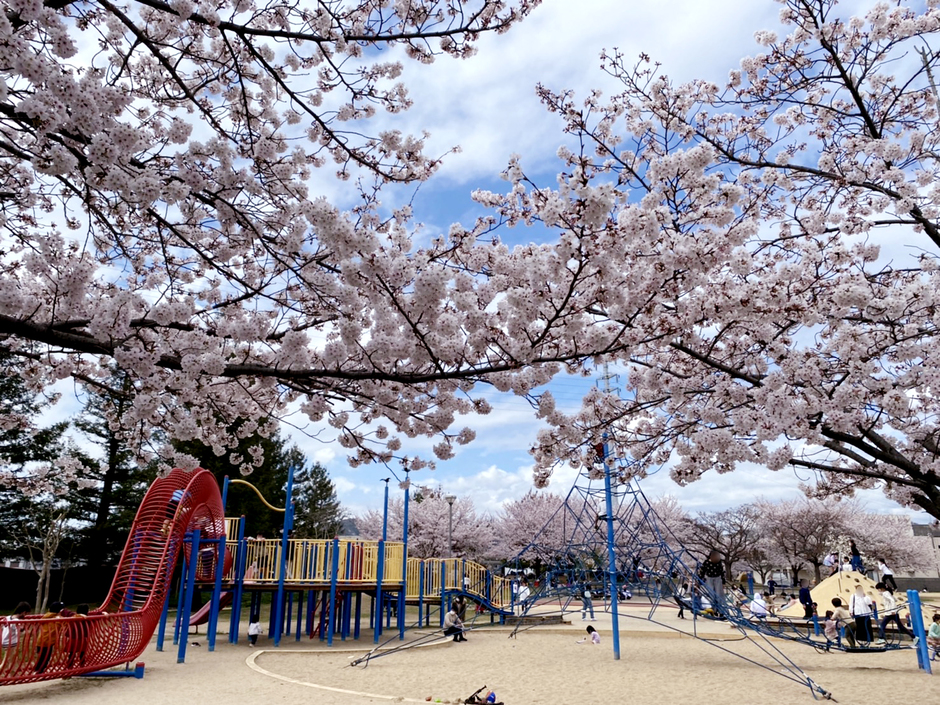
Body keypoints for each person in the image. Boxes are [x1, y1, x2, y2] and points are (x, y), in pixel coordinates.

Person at [34, 602, 64, 673]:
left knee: (41, 657)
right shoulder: (58, 619)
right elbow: (64, 624)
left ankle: (37, 669)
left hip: (40, 640)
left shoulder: (46, 616)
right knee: (45, 658)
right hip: (48, 642)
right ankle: (40, 672)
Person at [698, 550, 725, 614]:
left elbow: (722, 571)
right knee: (711, 595)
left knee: (719, 595)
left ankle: (721, 611)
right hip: (709, 578)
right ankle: (713, 610)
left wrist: (723, 581)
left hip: (718, 578)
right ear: (711, 556)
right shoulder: (706, 562)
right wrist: (699, 579)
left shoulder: (719, 562)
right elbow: (702, 571)